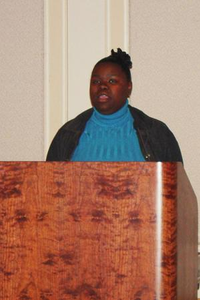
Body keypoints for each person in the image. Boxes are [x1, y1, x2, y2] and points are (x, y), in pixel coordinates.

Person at [46, 48, 183, 162]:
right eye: (96, 82)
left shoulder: (157, 133)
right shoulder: (67, 134)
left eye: (112, 81)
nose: (103, 86)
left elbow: (176, 189)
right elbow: (49, 188)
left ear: (129, 87)